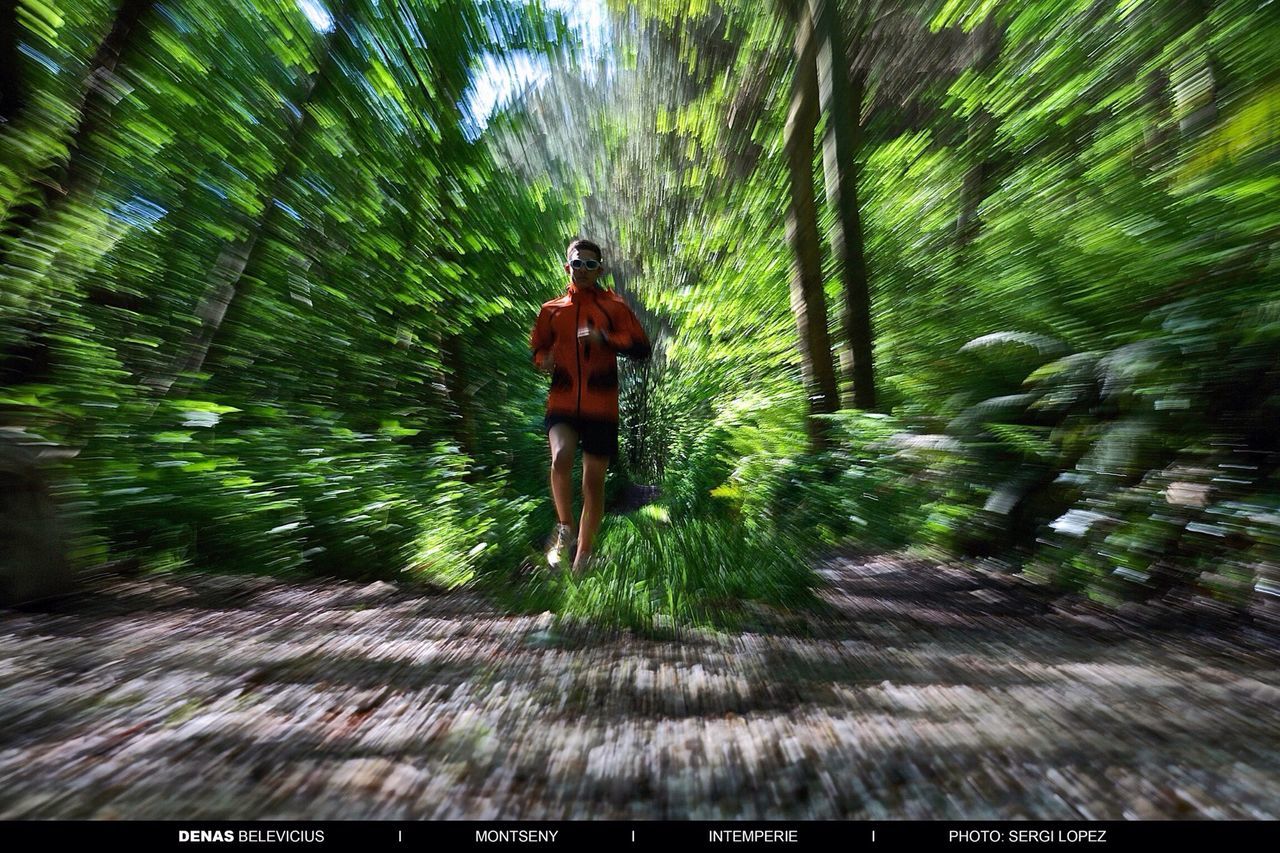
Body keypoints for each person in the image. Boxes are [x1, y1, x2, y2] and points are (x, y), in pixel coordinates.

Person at [530, 238, 652, 573]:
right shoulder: (551, 310)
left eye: (589, 264)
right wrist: (545, 360)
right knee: (560, 456)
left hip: (601, 405)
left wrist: (606, 339)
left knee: (592, 483)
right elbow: (537, 351)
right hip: (563, 401)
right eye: (576, 263)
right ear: (567, 267)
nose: (582, 269)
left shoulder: (613, 307)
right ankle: (565, 527)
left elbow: (642, 347)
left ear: (599, 269)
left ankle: (583, 558)